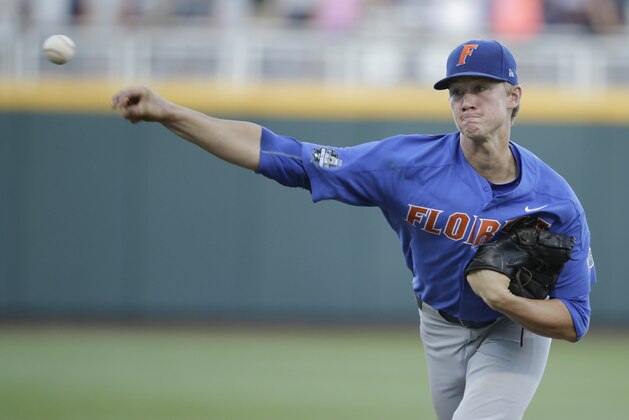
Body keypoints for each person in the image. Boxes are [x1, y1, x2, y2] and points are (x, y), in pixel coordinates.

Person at [112, 39, 596, 419]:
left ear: (514, 97)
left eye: (480, 89)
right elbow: (286, 156)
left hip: (513, 329)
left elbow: (575, 320)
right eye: (456, 92)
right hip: (440, 325)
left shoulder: (556, 201)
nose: (466, 101)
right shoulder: (407, 165)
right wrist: (170, 112)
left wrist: (506, 301)